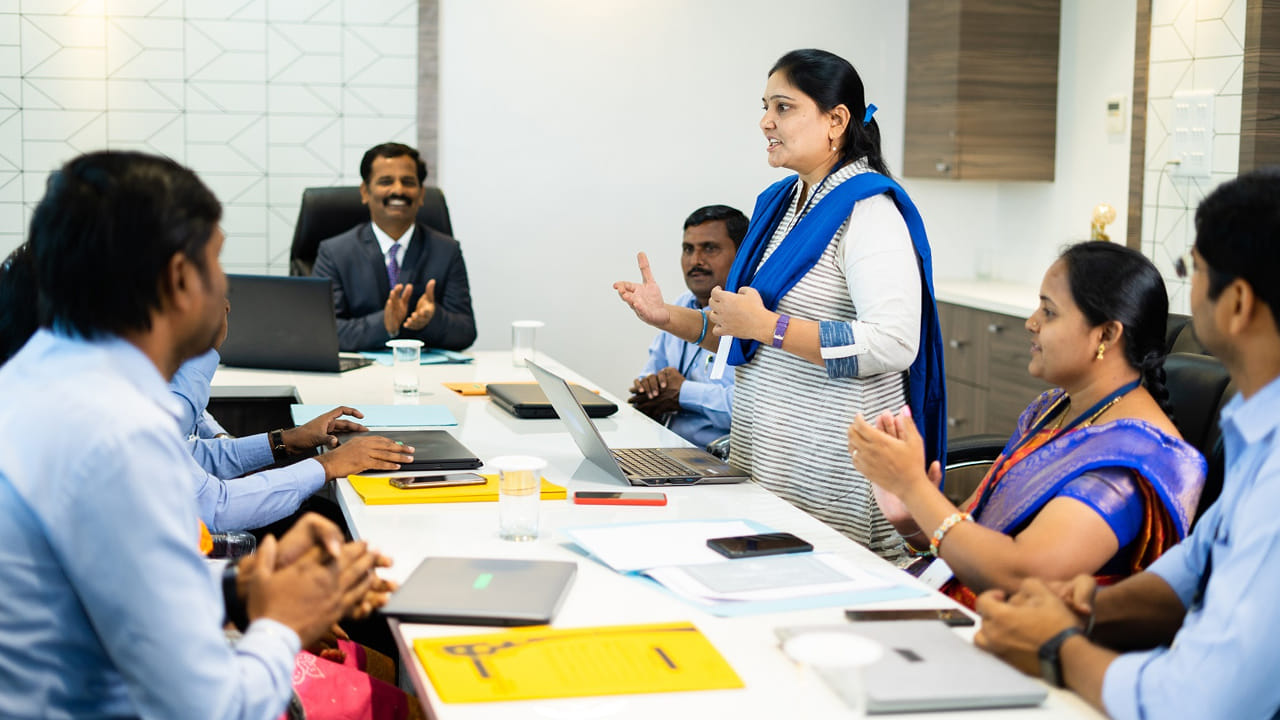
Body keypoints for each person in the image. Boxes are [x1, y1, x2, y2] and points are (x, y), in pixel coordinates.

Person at [0, 150, 408, 718]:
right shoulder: (117, 434)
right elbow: (214, 708)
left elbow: (119, 585)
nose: (226, 288)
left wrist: (240, 588)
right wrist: (282, 622)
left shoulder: (38, 382)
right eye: (217, 261)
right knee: (402, 699)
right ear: (179, 278)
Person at [972, 170, 1280, 718]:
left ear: (1236, 302)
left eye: (1192, 268)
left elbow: (1196, 702)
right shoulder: (1257, 431)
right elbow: (1190, 571)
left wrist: (1056, 648)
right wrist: (1084, 610)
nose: (1032, 323)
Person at [615, 49, 945, 557]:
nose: (765, 121)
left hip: (832, 473)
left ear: (836, 121)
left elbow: (895, 343)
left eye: (783, 107)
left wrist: (769, 326)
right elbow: (744, 332)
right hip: (768, 459)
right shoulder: (781, 205)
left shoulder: (869, 213)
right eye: (765, 107)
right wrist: (666, 317)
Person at [847, 241, 1205, 608]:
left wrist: (913, 487)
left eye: (1049, 312)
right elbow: (971, 530)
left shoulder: (1131, 462)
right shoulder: (1054, 409)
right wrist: (909, 517)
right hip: (956, 600)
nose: (1031, 323)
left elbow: (1019, 574)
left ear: (1106, 335)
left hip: (1010, 631)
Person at [313, 142, 476, 352]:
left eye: (408, 182)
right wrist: (384, 324)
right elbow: (322, 332)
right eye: (386, 181)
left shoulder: (447, 251)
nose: (398, 190)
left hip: (425, 369)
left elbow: (466, 332)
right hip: (361, 370)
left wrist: (432, 318)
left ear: (421, 193)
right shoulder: (334, 253)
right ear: (365, 192)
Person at [629, 204, 746, 447]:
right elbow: (649, 375)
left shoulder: (752, 316)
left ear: (742, 254)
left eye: (710, 248)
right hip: (666, 449)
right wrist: (650, 386)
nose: (696, 261)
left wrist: (683, 393)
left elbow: (751, 410)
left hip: (719, 460)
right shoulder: (682, 304)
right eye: (688, 249)